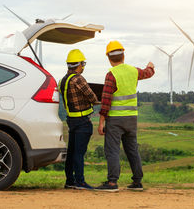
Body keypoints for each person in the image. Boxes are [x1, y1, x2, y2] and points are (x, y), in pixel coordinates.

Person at [95, 41, 155, 192]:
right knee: (132, 149)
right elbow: (148, 73)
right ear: (124, 55)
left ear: (108, 58)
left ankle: (112, 183)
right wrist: (151, 66)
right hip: (132, 118)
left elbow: (106, 101)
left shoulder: (111, 75)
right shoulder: (133, 71)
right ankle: (137, 182)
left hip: (115, 120)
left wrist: (101, 122)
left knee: (112, 150)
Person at [59, 49, 98, 190]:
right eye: (83, 64)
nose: (83, 67)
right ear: (79, 64)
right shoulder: (78, 79)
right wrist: (98, 100)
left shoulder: (62, 80)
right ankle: (80, 182)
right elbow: (92, 97)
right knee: (79, 153)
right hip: (82, 121)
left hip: (71, 120)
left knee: (71, 152)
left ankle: (70, 181)